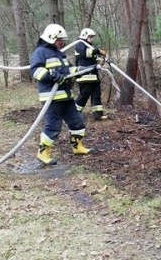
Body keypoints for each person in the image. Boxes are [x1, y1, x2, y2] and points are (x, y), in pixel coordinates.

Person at [30, 24, 90, 165]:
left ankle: (77, 147)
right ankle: (43, 152)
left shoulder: (59, 53)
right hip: (51, 98)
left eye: (62, 40)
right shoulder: (40, 52)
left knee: (77, 122)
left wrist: (80, 70)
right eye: (59, 40)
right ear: (51, 38)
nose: (61, 43)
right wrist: (51, 75)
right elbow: (35, 71)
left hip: (66, 96)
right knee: (53, 126)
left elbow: (66, 71)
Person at [73, 27, 108, 120]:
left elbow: (92, 58)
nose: (92, 39)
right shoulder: (79, 44)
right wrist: (98, 51)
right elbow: (86, 53)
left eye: (92, 37)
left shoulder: (89, 46)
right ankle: (74, 114)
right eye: (90, 37)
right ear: (84, 36)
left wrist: (100, 61)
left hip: (93, 76)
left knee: (96, 95)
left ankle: (98, 115)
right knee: (84, 96)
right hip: (84, 77)